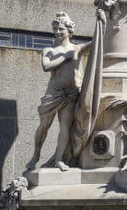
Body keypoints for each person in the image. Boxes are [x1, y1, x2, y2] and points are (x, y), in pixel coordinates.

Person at [26, 13, 93, 171]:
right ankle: (36, 155)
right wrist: (65, 57)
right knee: (44, 125)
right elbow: (46, 67)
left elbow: (95, 42)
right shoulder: (48, 50)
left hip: (71, 93)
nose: (57, 32)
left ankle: (58, 159)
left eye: (61, 29)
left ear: (70, 31)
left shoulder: (78, 48)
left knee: (65, 127)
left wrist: (101, 20)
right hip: (54, 92)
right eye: (55, 29)